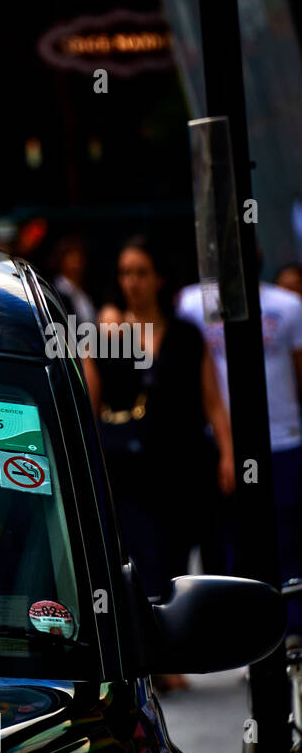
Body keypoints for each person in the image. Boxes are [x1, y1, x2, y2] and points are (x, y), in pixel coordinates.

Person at [82, 238, 234, 689]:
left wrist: (228, 452)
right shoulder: (108, 331)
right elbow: (90, 401)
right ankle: (151, 661)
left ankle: (168, 652)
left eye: (141, 272)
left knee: (172, 558)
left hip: (180, 464)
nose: (132, 282)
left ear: (158, 277)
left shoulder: (185, 334)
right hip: (125, 467)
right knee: (137, 559)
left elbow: (212, 399)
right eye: (125, 272)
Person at [177, 270, 302, 636]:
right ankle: (246, 634)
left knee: (287, 539)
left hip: (283, 438)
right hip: (223, 441)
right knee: (235, 540)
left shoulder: (288, 304)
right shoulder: (190, 304)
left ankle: (290, 630)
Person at [50, 236, 97, 324]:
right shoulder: (56, 291)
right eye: (71, 257)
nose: (76, 262)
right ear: (61, 260)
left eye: (79, 256)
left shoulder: (85, 291)